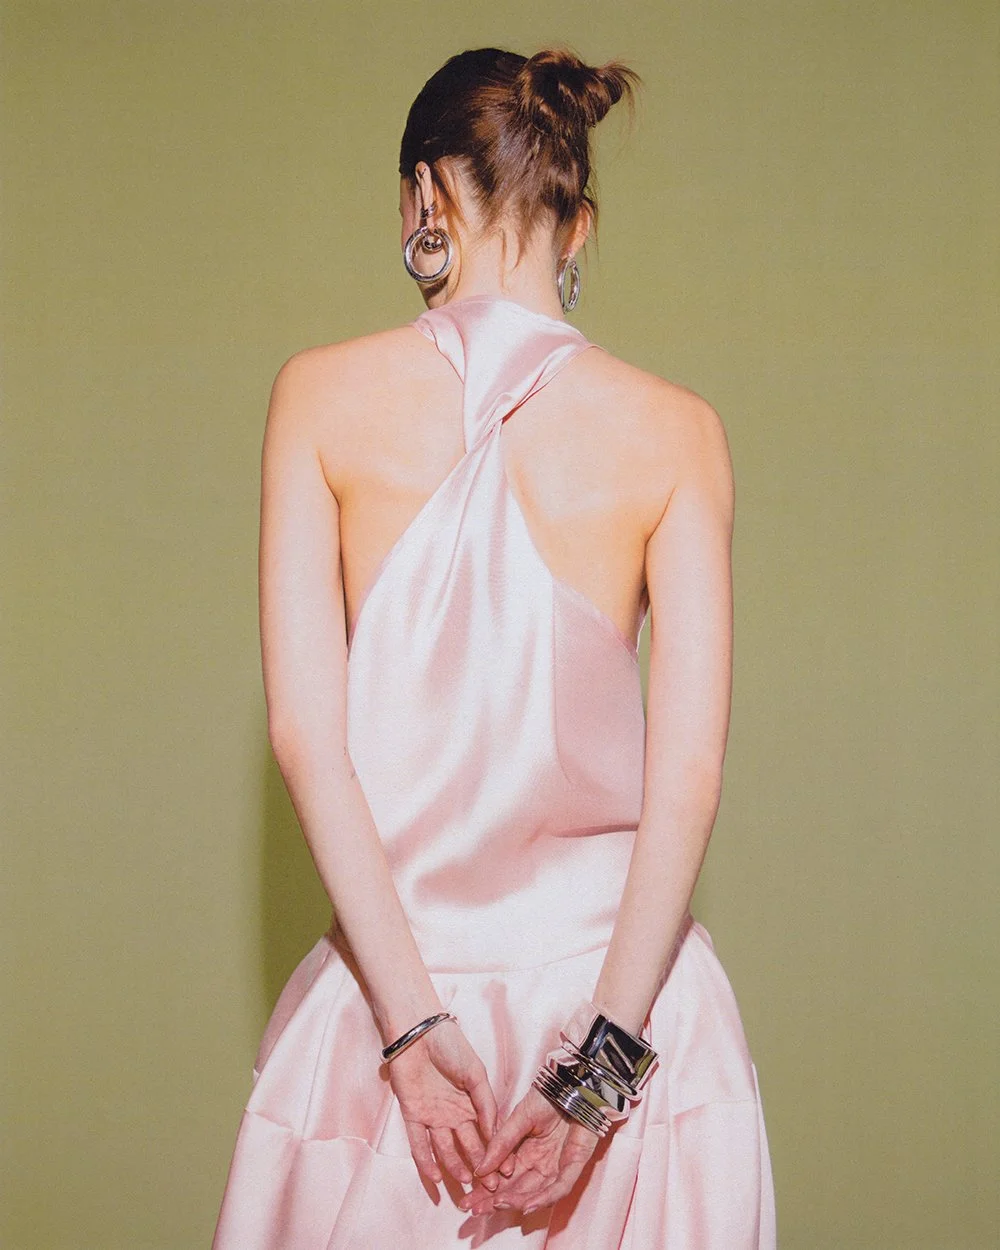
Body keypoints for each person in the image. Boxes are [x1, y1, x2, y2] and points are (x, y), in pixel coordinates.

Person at [212, 45, 776, 1249]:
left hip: (389, 1013)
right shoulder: (677, 432)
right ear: (579, 227)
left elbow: (307, 735)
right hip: (629, 1014)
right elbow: (687, 777)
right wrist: (598, 1072)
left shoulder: (317, 396)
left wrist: (411, 1029)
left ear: (424, 197)